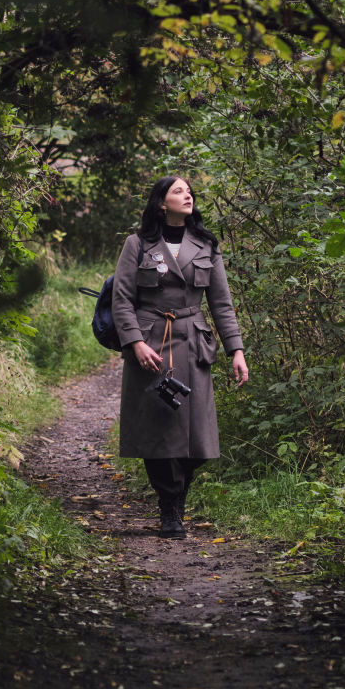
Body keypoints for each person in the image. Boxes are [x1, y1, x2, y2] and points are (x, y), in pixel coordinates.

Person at [110, 174, 249, 538]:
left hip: (194, 343)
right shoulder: (136, 244)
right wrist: (135, 342)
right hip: (151, 344)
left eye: (189, 191)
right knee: (159, 434)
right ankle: (170, 509)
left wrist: (237, 349)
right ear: (161, 203)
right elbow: (122, 300)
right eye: (178, 191)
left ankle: (176, 496)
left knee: (198, 439)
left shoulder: (206, 245)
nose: (187, 196)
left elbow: (222, 303)